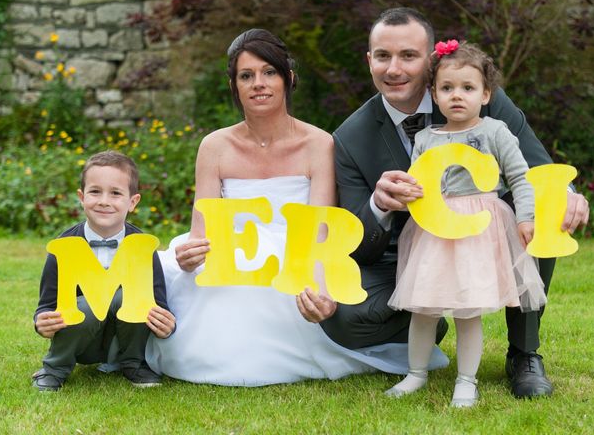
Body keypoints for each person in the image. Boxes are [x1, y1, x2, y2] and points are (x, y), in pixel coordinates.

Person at [145, 28, 447, 386]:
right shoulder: (214, 147)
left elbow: (320, 230)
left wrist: (320, 288)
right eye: (246, 75)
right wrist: (189, 255)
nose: (259, 83)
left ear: (288, 78)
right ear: (234, 85)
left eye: (269, 72)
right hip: (231, 256)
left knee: (303, 298)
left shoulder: (319, 144)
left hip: (298, 254)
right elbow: (202, 231)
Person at [315, 7, 589, 398]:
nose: (394, 68)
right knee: (344, 317)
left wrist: (566, 193)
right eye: (382, 56)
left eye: (408, 56)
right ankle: (423, 323)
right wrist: (379, 203)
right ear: (369, 60)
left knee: (544, 208)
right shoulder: (349, 137)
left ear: (430, 62)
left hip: (481, 230)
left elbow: (532, 161)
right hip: (405, 253)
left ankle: (524, 353)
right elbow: (358, 242)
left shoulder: (479, 94)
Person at [386, 40, 547, 407]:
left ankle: (466, 379)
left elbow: (521, 177)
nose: (457, 96)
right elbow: (419, 182)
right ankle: (416, 373)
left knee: (467, 310)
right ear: (434, 94)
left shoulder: (495, 132)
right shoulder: (425, 138)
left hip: (480, 229)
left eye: (468, 88)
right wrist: (407, 192)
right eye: (447, 88)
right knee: (424, 307)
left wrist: (525, 217)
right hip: (436, 231)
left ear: (486, 93)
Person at [32, 150, 176, 391]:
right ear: (81, 196)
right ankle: (55, 368)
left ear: (133, 202)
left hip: (124, 339)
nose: (104, 201)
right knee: (86, 305)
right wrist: (41, 323)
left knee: (131, 297)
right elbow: (46, 306)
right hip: (81, 339)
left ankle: (133, 363)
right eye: (95, 191)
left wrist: (166, 324)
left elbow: (157, 301)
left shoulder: (142, 246)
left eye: (116, 193)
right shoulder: (64, 246)